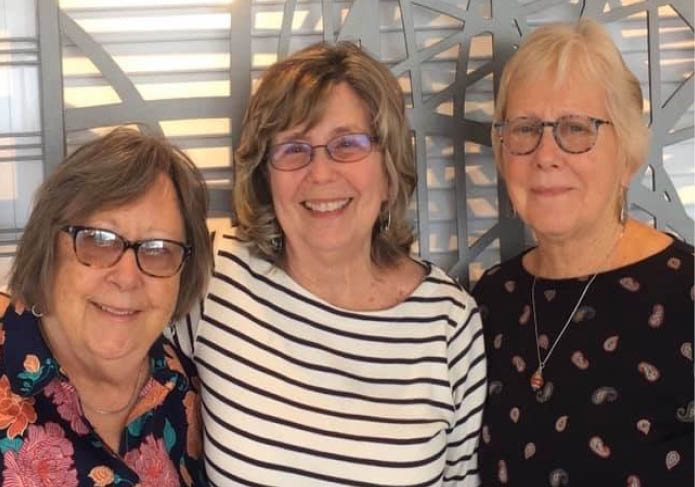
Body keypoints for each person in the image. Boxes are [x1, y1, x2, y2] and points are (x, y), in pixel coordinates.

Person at [172, 41, 487, 486]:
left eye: (347, 144)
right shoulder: (217, 278)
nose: (320, 174)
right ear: (266, 173)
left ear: (388, 168)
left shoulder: (448, 322)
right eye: (293, 148)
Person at [473, 19, 694, 486]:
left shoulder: (688, 294)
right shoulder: (491, 300)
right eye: (525, 128)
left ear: (627, 154)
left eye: (576, 128)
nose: (546, 154)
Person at [0, 128, 212, 485]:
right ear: (48, 246)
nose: (127, 277)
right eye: (99, 240)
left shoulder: (186, 390)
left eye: (158, 249)